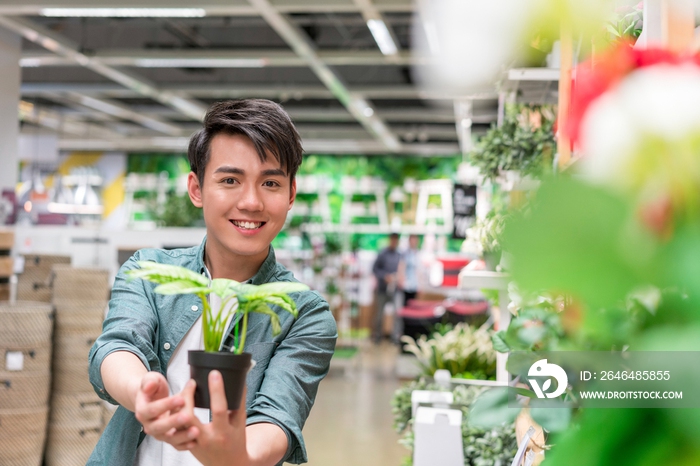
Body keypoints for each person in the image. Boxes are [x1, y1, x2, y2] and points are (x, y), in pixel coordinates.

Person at [87, 99, 338, 466]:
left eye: (270, 182)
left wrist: (238, 454)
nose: (251, 202)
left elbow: (279, 416)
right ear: (197, 189)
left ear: (290, 195)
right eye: (230, 180)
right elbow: (119, 346)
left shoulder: (304, 314)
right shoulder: (150, 271)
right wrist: (144, 394)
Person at [371, 232, 401, 343]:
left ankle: (395, 337)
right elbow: (374, 269)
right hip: (382, 289)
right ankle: (377, 336)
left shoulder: (399, 255)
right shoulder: (383, 254)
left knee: (396, 314)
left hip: (394, 289)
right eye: (392, 240)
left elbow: (401, 270)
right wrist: (384, 276)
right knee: (379, 314)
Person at [397, 234, 420, 306]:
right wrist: (401, 279)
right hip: (406, 284)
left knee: (414, 305)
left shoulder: (417, 253)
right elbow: (401, 266)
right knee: (405, 304)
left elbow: (418, 270)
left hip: (415, 285)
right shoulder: (405, 253)